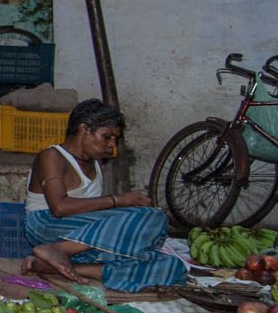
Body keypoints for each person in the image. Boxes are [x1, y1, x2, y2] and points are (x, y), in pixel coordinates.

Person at [22, 100, 184, 292]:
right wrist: (118, 201)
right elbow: (59, 207)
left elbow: (93, 212)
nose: (112, 144)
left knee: (173, 266)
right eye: (106, 136)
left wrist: (123, 208)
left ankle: (60, 267)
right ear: (84, 129)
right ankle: (59, 250)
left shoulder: (94, 163)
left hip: (82, 239)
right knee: (154, 217)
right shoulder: (52, 156)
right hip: (47, 226)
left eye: (115, 138)